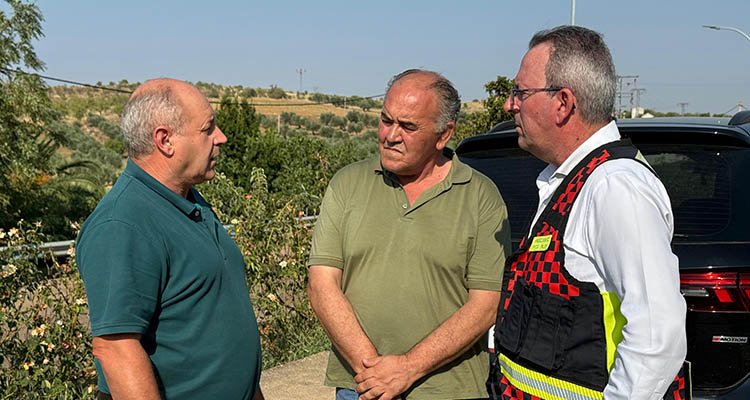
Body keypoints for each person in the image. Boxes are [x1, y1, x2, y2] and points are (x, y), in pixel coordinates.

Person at [487, 26, 688, 400]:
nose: (509, 104)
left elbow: (657, 336)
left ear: (563, 102)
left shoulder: (615, 187)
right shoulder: (570, 180)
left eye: (520, 92)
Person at [307, 69, 511, 400]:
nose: (390, 135)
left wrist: (407, 368)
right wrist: (375, 371)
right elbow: (321, 285)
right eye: (386, 120)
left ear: (443, 135)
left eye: (408, 126)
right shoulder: (347, 185)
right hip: (361, 387)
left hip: (449, 392)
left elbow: (486, 305)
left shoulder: (480, 197)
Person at [76, 78, 264, 400]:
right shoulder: (123, 223)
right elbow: (115, 349)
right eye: (208, 129)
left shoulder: (188, 200)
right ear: (165, 141)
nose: (221, 138)